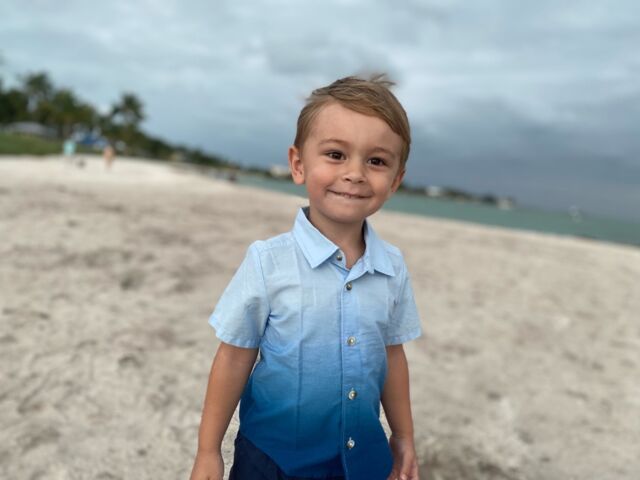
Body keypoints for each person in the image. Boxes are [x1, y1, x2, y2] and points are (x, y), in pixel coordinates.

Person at [190, 75, 423, 480]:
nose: (355, 173)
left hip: (362, 461)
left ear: (396, 180)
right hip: (273, 460)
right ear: (298, 164)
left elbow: (391, 354)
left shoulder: (392, 266)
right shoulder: (268, 261)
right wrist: (208, 451)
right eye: (336, 154)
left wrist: (403, 436)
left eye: (376, 161)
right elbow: (234, 356)